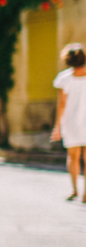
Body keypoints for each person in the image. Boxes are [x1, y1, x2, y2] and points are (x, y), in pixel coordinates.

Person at [51, 43, 86, 202]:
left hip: (71, 122)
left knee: (73, 156)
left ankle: (74, 190)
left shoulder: (64, 78)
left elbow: (61, 104)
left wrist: (57, 126)